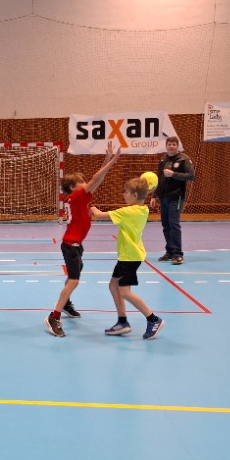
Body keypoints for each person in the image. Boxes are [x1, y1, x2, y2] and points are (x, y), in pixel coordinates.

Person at [45, 141, 121, 337]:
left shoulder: (79, 197)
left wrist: (106, 159)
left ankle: (66, 303)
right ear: (73, 187)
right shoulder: (77, 197)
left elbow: (97, 180)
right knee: (74, 280)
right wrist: (112, 161)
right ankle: (54, 316)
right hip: (70, 245)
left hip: (75, 245)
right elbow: (96, 179)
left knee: (76, 273)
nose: (86, 184)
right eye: (82, 182)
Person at [91, 176, 164, 340]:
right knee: (113, 285)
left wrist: (91, 206)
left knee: (124, 291)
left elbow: (100, 215)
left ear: (135, 195)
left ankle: (153, 319)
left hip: (129, 257)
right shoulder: (143, 210)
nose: (124, 194)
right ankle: (122, 322)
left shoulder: (127, 212)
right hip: (130, 256)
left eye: (126, 192)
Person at [151, 136, 194, 265]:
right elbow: (158, 179)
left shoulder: (183, 159)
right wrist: (154, 196)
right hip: (163, 197)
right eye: (169, 144)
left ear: (177, 146)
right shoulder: (163, 160)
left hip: (176, 197)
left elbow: (191, 176)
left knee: (173, 224)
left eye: (174, 144)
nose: (171, 146)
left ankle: (177, 254)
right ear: (166, 146)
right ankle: (169, 252)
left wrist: (173, 174)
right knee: (166, 225)